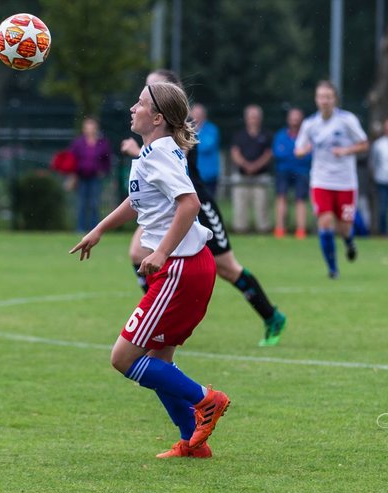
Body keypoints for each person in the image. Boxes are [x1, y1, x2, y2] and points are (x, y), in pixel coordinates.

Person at [70, 79, 230, 459]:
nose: (132, 108)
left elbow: (189, 204)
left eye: (139, 104)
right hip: (188, 268)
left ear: (157, 117)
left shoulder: (158, 154)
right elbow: (137, 199)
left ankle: (206, 400)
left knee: (124, 358)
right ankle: (193, 441)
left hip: (180, 269)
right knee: (159, 361)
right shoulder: (156, 152)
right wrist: (100, 229)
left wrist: (159, 251)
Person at [122, 71, 287, 347]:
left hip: (196, 203)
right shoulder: (150, 122)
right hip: (164, 204)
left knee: (228, 268)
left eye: (153, 85)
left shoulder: (176, 123)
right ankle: (159, 315)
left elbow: (175, 162)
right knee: (137, 252)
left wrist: (135, 153)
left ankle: (271, 316)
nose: (146, 91)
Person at [294, 80, 370, 277]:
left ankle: (348, 241)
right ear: (316, 100)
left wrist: (346, 150)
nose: (325, 101)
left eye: (328, 97)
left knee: (344, 227)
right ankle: (333, 269)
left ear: (334, 99)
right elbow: (298, 150)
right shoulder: (310, 124)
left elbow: (364, 144)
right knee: (326, 222)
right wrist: (304, 151)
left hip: (346, 182)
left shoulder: (347, 120)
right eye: (321, 97)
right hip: (321, 181)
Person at [230, 104, 273, 234]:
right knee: (240, 206)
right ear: (246, 118)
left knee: (262, 205)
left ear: (260, 118)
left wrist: (255, 166)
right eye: (251, 117)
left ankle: (263, 230)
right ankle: (240, 229)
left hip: (261, 176)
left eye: (256, 117)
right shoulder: (239, 134)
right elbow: (235, 152)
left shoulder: (267, 134)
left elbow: (269, 154)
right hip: (242, 176)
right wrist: (246, 165)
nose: (253, 119)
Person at [68, 117, 112, 233]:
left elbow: (107, 160)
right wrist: (73, 175)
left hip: (95, 177)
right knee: (82, 203)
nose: (89, 129)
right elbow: (72, 159)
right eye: (87, 126)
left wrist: (104, 172)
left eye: (91, 126)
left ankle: (94, 229)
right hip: (81, 177)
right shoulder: (78, 143)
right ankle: (80, 229)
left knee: (94, 204)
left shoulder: (102, 143)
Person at [272, 107, 310, 239]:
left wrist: (295, 155)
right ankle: (280, 229)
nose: (295, 120)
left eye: (297, 117)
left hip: (302, 171)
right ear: (288, 119)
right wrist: (297, 154)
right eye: (292, 117)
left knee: (300, 200)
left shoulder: (307, 136)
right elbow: (278, 153)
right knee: (281, 198)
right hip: (283, 171)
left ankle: (301, 231)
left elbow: (309, 155)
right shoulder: (280, 135)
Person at [190, 103, 221, 197]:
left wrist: (189, 143)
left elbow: (205, 146)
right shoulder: (187, 130)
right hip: (192, 177)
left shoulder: (212, 129)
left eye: (199, 114)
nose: (196, 117)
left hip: (209, 177)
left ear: (204, 115)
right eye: (195, 114)